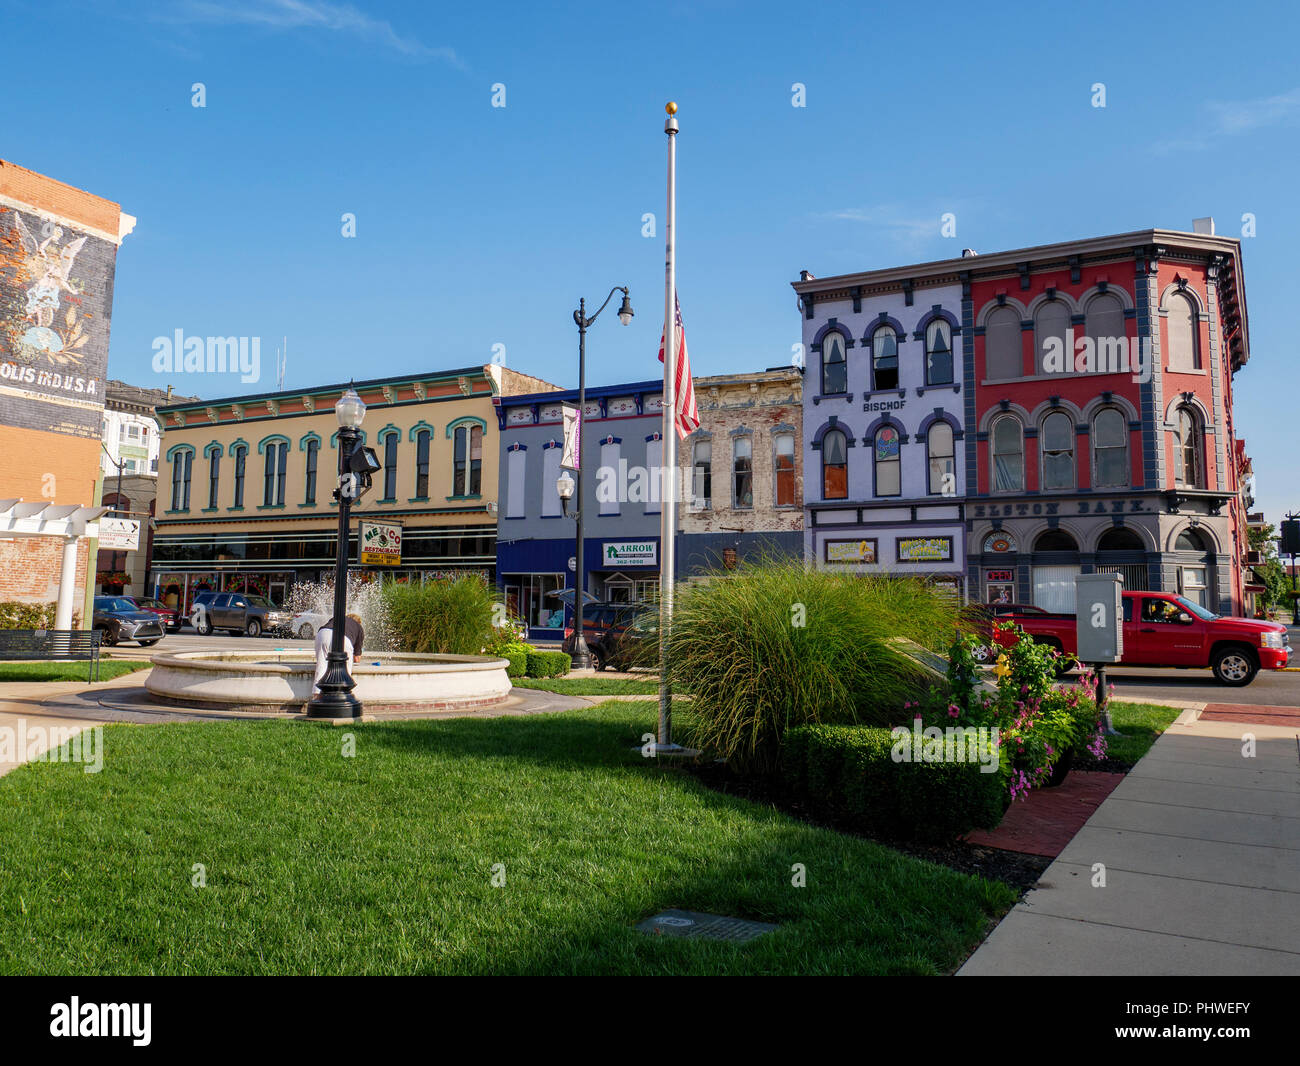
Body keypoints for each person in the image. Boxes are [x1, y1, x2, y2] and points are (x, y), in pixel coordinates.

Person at [312, 613, 365, 695]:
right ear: (359, 622)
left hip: (322, 634)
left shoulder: (337, 617)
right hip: (343, 638)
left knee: (321, 665)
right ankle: (343, 694)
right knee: (346, 668)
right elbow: (357, 659)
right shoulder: (358, 627)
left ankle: (316, 695)